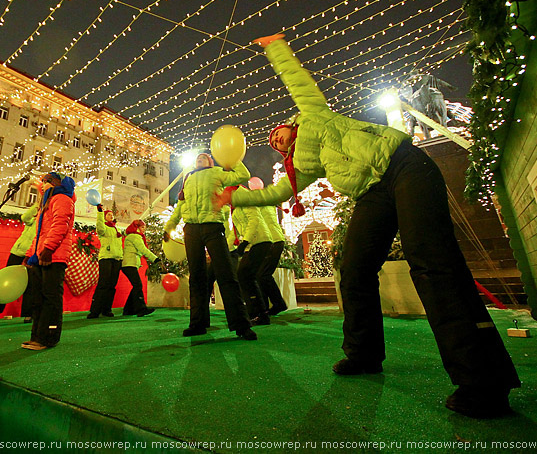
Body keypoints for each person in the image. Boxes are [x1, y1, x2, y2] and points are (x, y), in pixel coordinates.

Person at [215, 34, 520, 418]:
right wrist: (234, 197)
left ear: (289, 125)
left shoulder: (314, 115)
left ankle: (484, 381)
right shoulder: (304, 166)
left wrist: (275, 47)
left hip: (405, 166)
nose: (277, 139)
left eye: (278, 132)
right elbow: (274, 194)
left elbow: (298, 81)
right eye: (274, 143)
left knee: (432, 265)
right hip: (372, 194)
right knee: (355, 270)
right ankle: (363, 354)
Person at [165, 152, 256, 341]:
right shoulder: (188, 178)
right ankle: (197, 324)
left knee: (227, 275)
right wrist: (170, 226)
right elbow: (181, 206)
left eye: (204, 157)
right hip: (191, 229)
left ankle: (242, 325)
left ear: (210, 161)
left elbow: (243, 175)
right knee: (196, 277)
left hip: (213, 227)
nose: (200, 159)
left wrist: (232, 158)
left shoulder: (217, 173)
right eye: (198, 158)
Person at [23, 172, 75, 351]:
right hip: (41, 255)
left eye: (48, 181)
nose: (44, 184)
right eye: (43, 181)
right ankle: (36, 336)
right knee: (38, 297)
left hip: (54, 255)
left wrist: (49, 249)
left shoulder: (61, 199)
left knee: (50, 296)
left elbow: (61, 224)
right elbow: (39, 233)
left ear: (57, 183)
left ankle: (48, 337)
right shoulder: (45, 203)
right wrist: (31, 253)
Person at [0, 202, 39, 324]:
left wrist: (33, 253)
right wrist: (36, 207)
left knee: (30, 283)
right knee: (5, 280)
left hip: (32, 253)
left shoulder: (46, 219)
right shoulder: (35, 217)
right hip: (17, 251)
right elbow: (25, 218)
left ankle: (28, 314)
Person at [230, 187, 273, 325]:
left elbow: (254, 220)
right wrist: (227, 248)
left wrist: (245, 242)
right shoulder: (235, 208)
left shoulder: (245, 199)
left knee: (245, 274)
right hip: (253, 244)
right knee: (245, 275)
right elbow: (234, 232)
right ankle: (257, 312)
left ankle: (259, 313)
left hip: (260, 240)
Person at [87, 205, 123, 319]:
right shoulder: (103, 228)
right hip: (106, 258)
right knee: (103, 284)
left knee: (112, 285)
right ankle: (95, 311)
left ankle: (107, 309)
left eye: (112, 215)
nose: (111, 216)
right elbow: (100, 227)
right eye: (108, 215)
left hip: (117, 259)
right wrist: (99, 213)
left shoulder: (117, 229)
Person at [120, 220, 158, 317]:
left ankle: (128, 310)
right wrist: (155, 258)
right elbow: (143, 249)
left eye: (144, 228)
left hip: (129, 264)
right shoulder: (135, 236)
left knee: (136, 286)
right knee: (137, 285)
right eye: (142, 228)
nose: (144, 230)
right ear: (136, 227)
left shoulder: (133, 236)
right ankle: (141, 308)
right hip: (129, 264)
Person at [258, 202, 289, 317]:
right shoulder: (267, 205)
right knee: (260, 275)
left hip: (272, 241)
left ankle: (278, 303)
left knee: (263, 274)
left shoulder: (259, 206)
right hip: (273, 240)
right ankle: (265, 307)